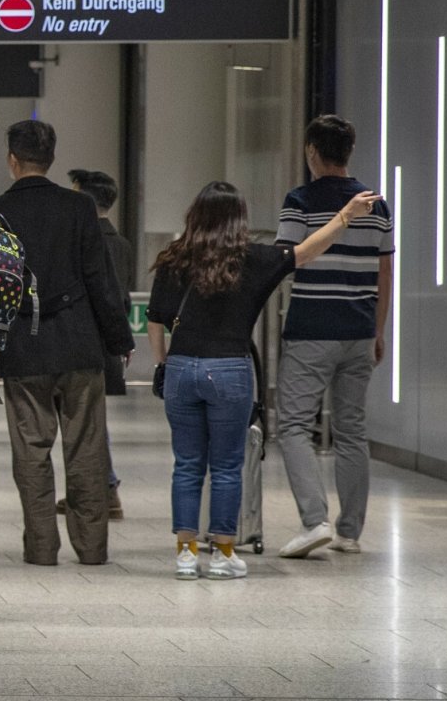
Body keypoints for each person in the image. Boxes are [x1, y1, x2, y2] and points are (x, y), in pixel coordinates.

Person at [148, 180, 378, 580]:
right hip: (229, 371)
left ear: (195, 215)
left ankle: (185, 554)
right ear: (239, 219)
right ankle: (222, 554)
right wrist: (345, 216)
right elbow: (307, 251)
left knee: (186, 465)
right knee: (226, 466)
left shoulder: (174, 258)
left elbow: (154, 318)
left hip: (182, 369)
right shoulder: (252, 258)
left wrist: (165, 363)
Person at [0, 121, 134, 567]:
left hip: (23, 347)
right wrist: (118, 338)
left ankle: (41, 548)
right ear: (50, 158)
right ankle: (91, 549)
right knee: (86, 446)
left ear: (12, 159)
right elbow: (100, 280)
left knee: (30, 449)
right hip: (79, 342)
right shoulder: (79, 208)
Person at [275, 116, 395, 559]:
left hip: (311, 329)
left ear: (311, 151)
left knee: (292, 425)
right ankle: (349, 532)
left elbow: (291, 259)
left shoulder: (299, 201)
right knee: (351, 431)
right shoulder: (376, 205)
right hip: (360, 331)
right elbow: (386, 272)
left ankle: (314, 521)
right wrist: (378, 330)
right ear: (350, 150)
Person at [65, 168, 133, 520]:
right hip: (106, 342)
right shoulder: (120, 243)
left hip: (85, 342)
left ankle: (105, 488)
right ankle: (98, 487)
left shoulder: (87, 241)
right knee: (92, 420)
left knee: (87, 421)